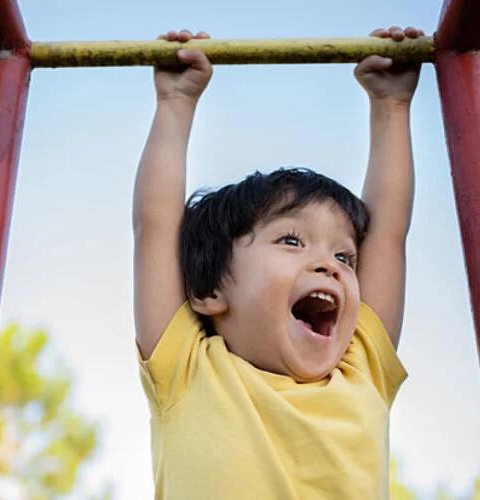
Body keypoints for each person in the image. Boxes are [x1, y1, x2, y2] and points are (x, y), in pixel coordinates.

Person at [132, 26, 423, 499]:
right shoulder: (188, 371)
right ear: (210, 292)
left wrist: (391, 107)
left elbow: (388, 233)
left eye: (344, 256)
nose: (328, 265)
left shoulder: (362, 370)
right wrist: (175, 104)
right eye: (291, 240)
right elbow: (156, 227)